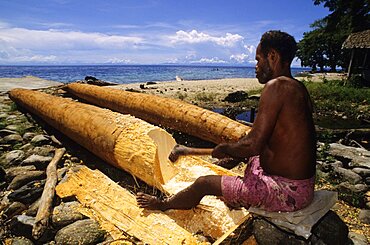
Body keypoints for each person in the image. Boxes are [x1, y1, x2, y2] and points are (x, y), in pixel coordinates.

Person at [136, 30, 316, 212]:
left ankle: (163, 205)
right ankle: (223, 177)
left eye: (258, 59)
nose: (256, 66)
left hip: (287, 193)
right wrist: (234, 149)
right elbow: (264, 141)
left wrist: (224, 148)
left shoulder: (276, 86)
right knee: (245, 151)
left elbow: (252, 145)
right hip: (302, 187)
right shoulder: (297, 87)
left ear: (272, 56)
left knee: (203, 183)